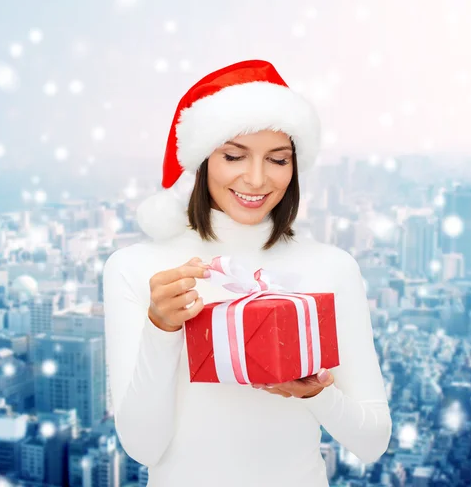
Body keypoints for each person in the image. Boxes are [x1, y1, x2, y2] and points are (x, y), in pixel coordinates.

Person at [103, 59, 392, 487]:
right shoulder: (139, 269)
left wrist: (316, 393)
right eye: (234, 156)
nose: (256, 179)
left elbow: (372, 440)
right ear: (202, 161)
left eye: (277, 159)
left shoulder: (330, 268)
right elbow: (143, 447)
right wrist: (161, 328)